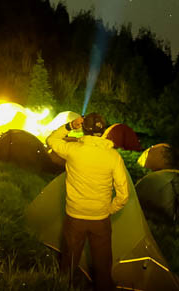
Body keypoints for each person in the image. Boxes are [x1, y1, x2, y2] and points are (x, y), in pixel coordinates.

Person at [46, 113, 129, 291]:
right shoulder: (113, 157)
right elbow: (123, 195)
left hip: (75, 217)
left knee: (69, 262)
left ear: (84, 128)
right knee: (103, 266)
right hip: (101, 219)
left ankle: (63, 286)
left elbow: (51, 139)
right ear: (103, 131)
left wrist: (69, 126)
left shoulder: (73, 150)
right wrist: (109, 209)